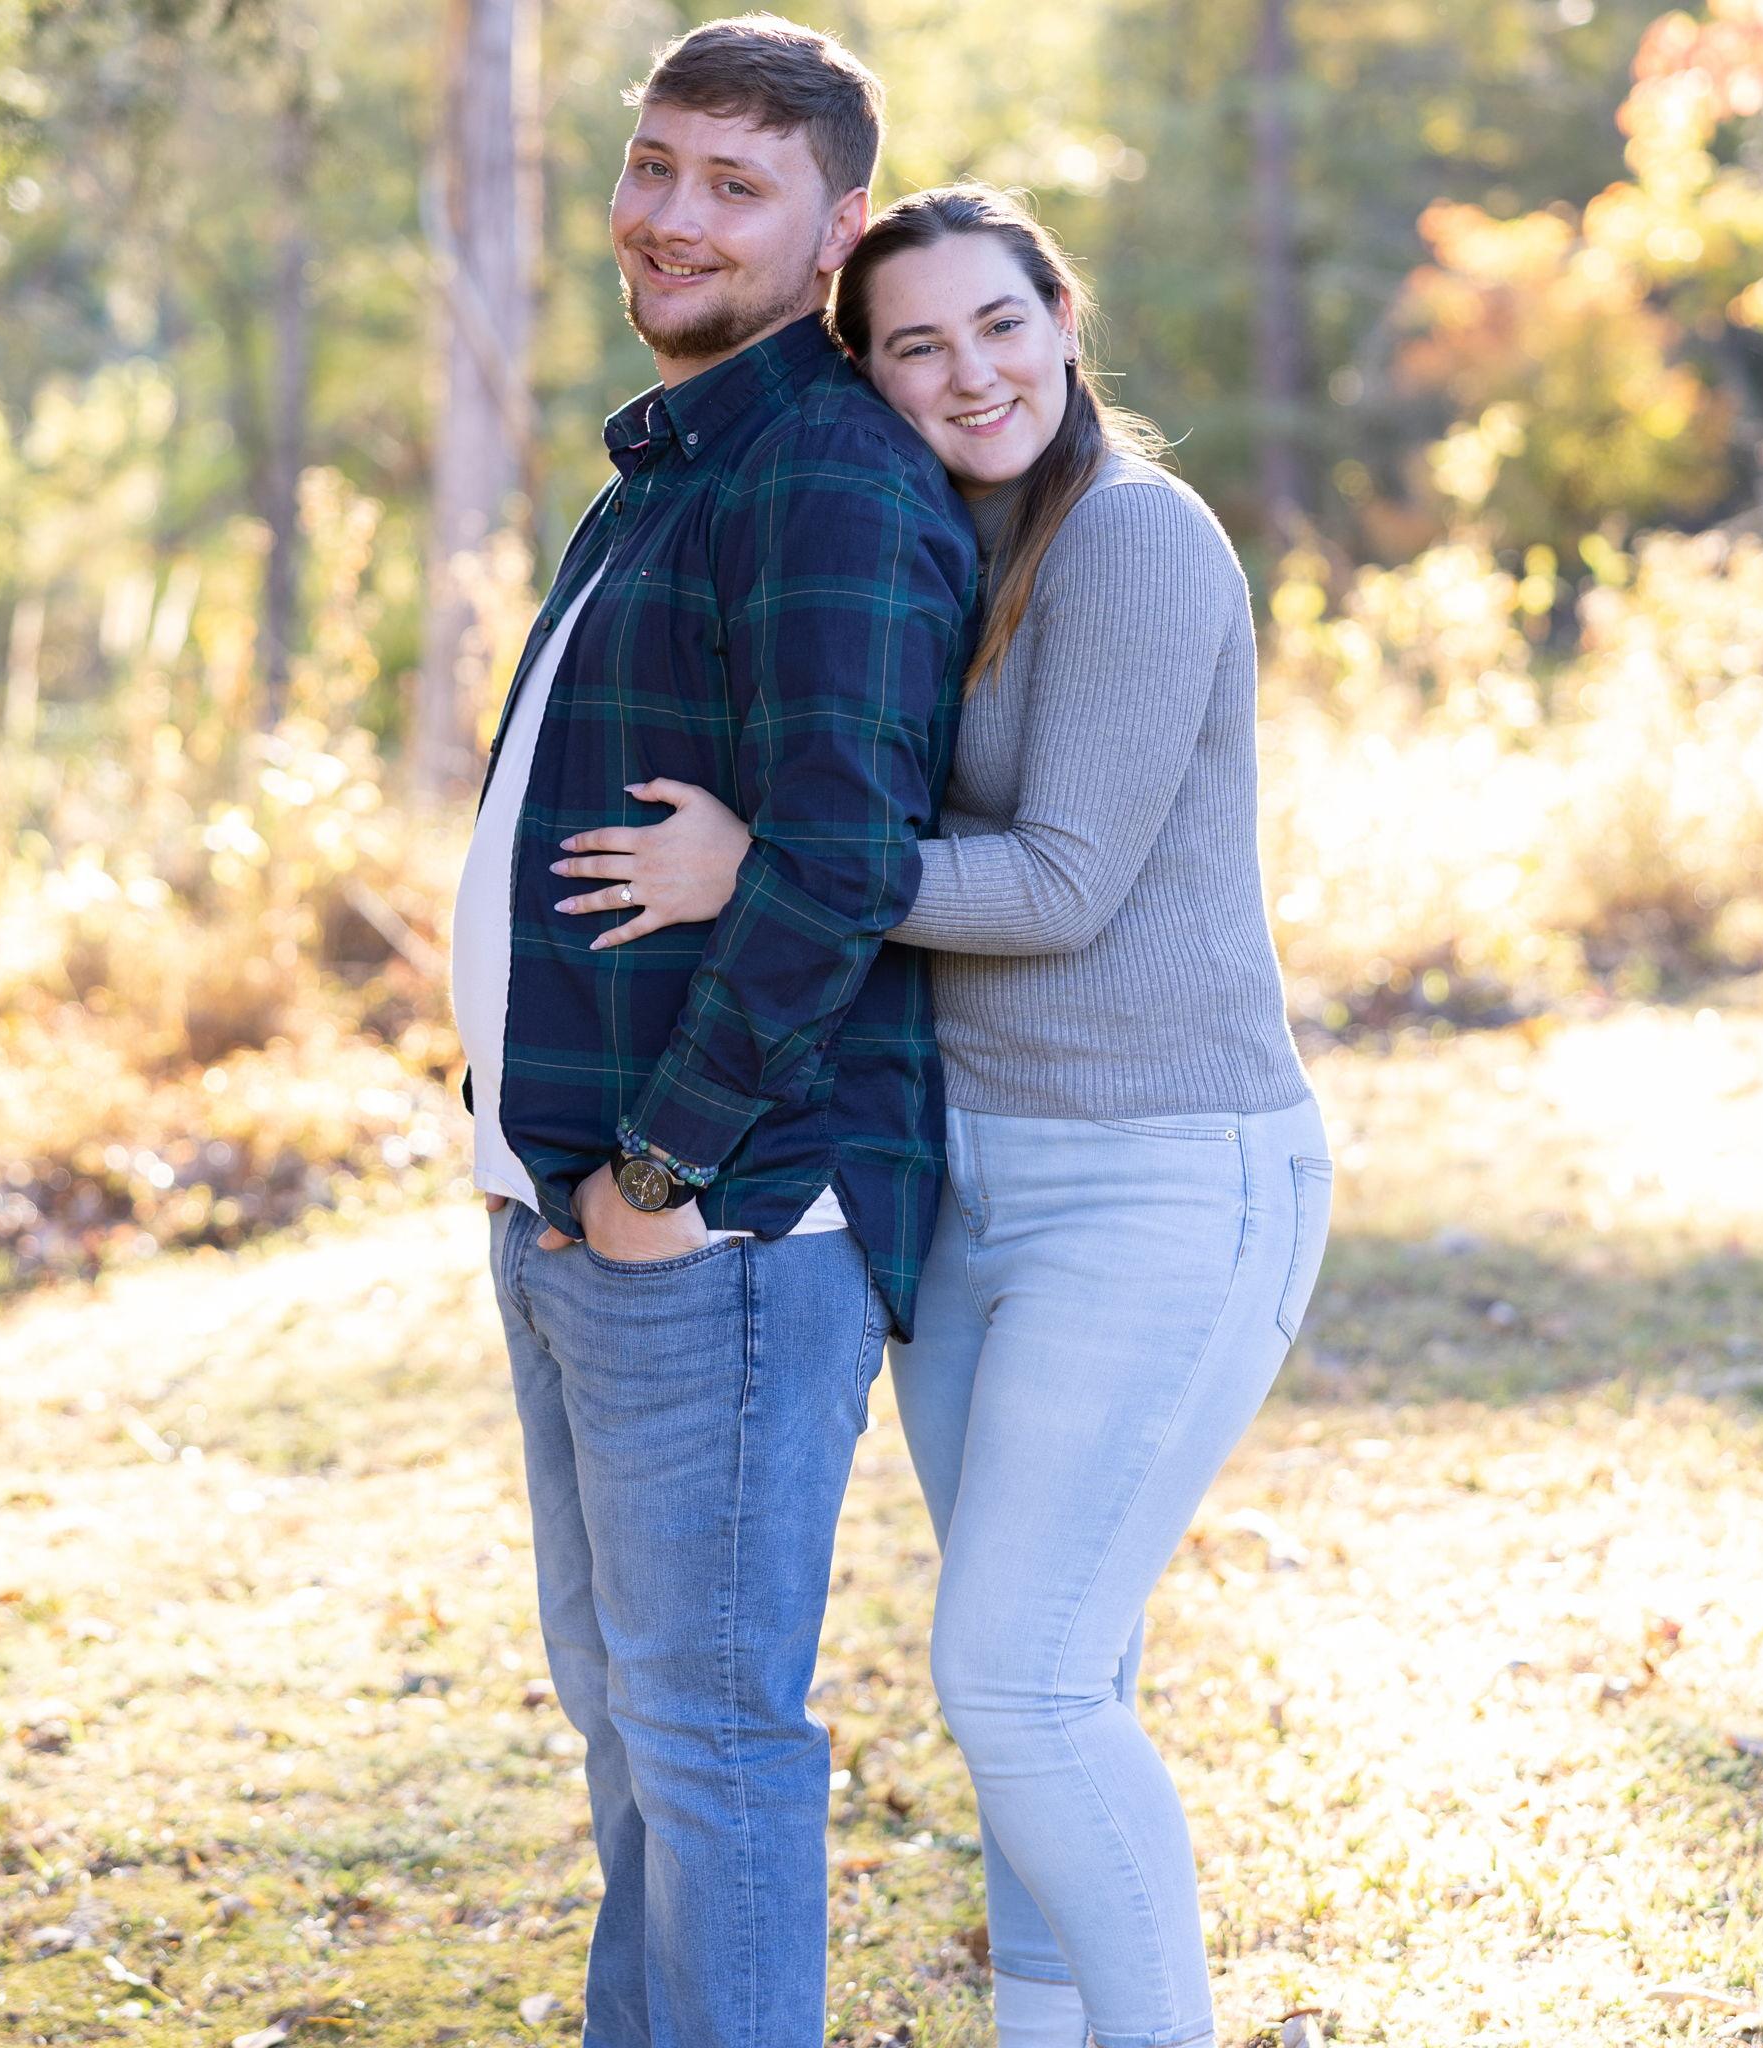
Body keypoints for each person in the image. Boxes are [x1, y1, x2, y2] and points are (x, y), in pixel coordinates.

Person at [553, 185, 1333, 2048]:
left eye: (997, 324)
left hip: (1166, 1177)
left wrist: (777, 870)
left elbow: (1060, 885)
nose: (966, 372)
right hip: (981, 1193)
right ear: (871, 375)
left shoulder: (1138, 540)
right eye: (913, 345)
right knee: (1054, 1679)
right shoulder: (957, 542)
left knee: (1023, 1683)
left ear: (1064, 317)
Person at [448, 20, 978, 2046]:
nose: (671, 213)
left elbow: (842, 867)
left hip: (716, 1222)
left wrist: (659, 1171)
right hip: (581, 1201)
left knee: (708, 1736)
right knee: (636, 1728)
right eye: (656, 165)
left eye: (732, 186)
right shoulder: (681, 457)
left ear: (835, 229)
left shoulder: (825, 479)